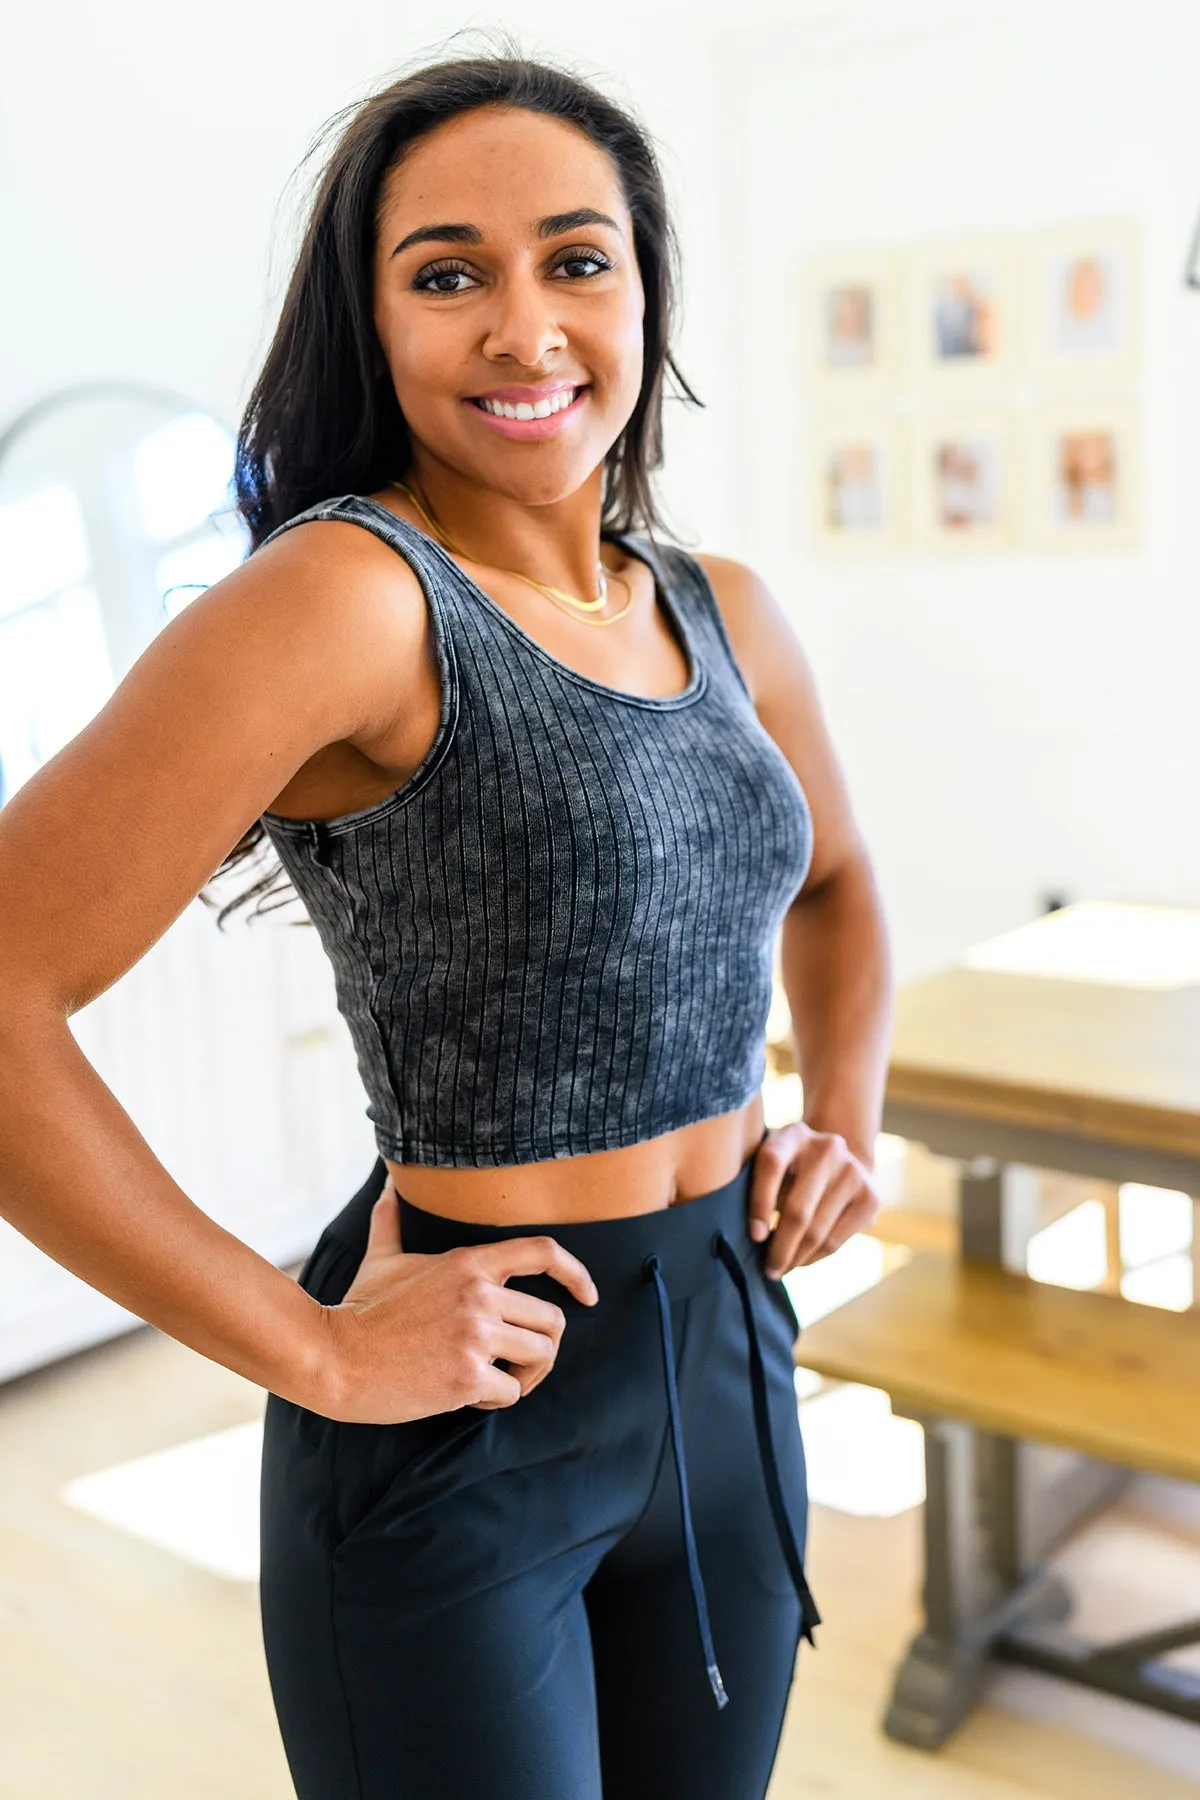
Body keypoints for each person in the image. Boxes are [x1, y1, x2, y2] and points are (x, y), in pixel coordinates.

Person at [0, 44, 893, 1800]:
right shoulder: (345, 596)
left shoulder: (725, 610)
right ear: (374, 317)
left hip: (729, 1343)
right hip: (468, 1386)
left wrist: (848, 1122)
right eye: (447, 275)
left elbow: (842, 886)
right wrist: (311, 1340)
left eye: (576, 260)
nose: (524, 327)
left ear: (644, 289)